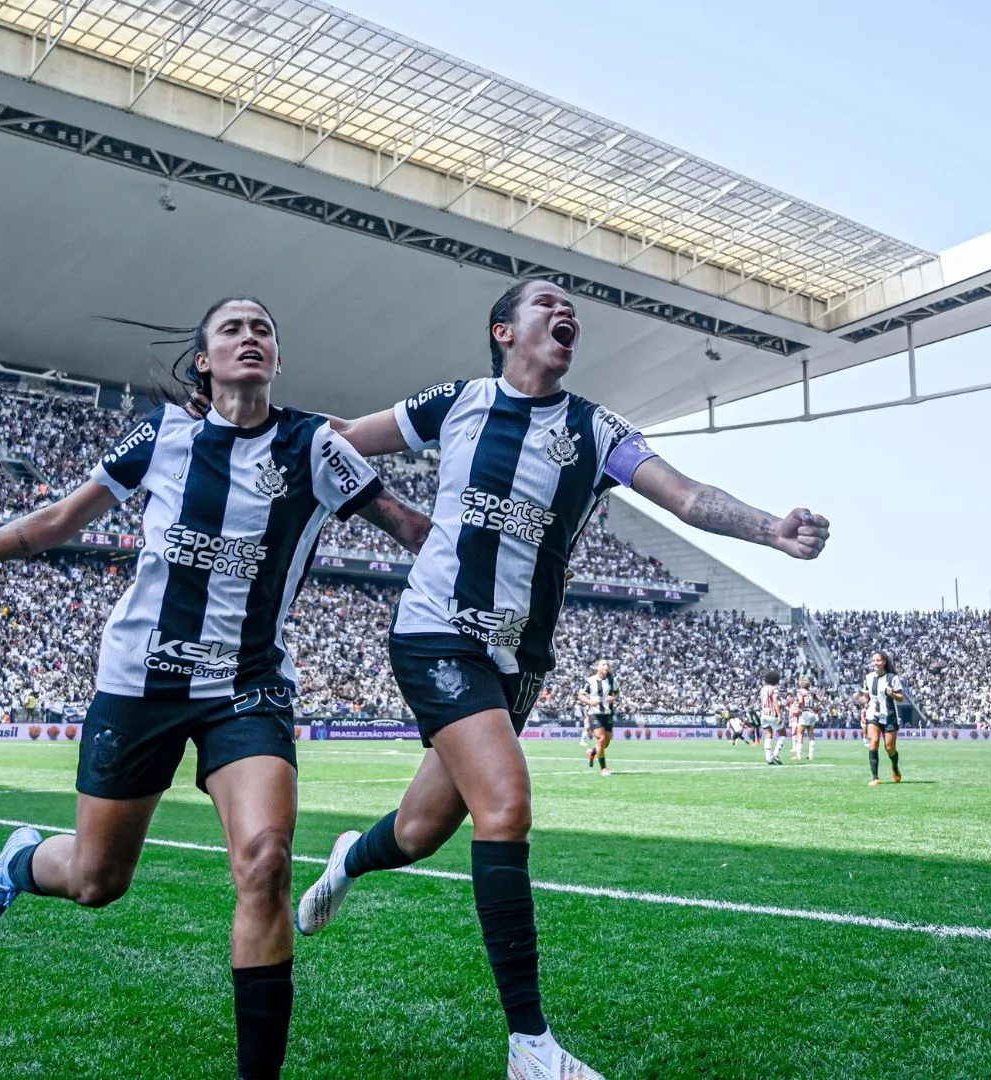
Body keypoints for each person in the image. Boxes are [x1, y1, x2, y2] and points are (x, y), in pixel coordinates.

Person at [291, 278, 829, 1077]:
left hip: (518, 661)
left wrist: (768, 528)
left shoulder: (594, 429)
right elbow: (343, 437)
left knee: (419, 832)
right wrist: (257, 425)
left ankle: (348, 859)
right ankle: (529, 1046)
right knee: (504, 805)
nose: (564, 308)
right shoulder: (459, 401)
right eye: (545, 300)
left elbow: (685, 496)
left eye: (570, 304)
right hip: (435, 632)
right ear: (504, 330)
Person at [0, 297, 431, 1080]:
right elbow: (54, 523)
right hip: (140, 684)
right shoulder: (166, 436)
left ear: (277, 359)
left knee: (267, 858)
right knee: (98, 882)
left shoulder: (315, 444)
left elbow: (410, 528)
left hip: (247, 686)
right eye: (232, 329)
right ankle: (22, 861)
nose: (251, 337)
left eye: (264, 329)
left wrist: (518, 548)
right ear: (204, 361)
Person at [864, 651, 904, 786]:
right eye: (874, 660)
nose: (875, 663)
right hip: (873, 715)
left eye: (878, 660)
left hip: (889, 716)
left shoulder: (893, 678)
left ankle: (895, 766)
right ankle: (875, 777)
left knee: (890, 748)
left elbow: (901, 698)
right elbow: (866, 697)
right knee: (873, 742)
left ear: (884, 662)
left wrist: (892, 694)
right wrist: (860, 700)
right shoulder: (869, 677)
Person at [578, 659, 618, 776]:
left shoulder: (612, 680)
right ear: (598, 667)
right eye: (603, 664)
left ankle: (591, 752)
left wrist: (613, 698)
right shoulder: (590, 681)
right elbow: (580, 695)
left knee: (605, 743)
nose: (606, 666)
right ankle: (604, 768)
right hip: (595, 713)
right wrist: (590, 702)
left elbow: (617, 693)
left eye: (607, 665)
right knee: (600, 739)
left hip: (608, 714)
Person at [791, 675, 821, 761]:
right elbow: (820, 700)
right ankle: (811, 755)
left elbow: (800, 702)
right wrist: (816, 707)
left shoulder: (800, 691)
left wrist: (800, 708)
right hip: (812, 713)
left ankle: (798, 755)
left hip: (805, 713)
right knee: (811, 735)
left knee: (800, 733)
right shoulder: (811, 692)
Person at [759, 671, 785, 765]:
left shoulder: (763, 689)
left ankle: (768, 758)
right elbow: (774, 702)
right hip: (772, 714)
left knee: (769, 734)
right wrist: (780, 714)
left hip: (763, 714)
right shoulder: (774, 689)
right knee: (783, 734)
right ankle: (775, 755)